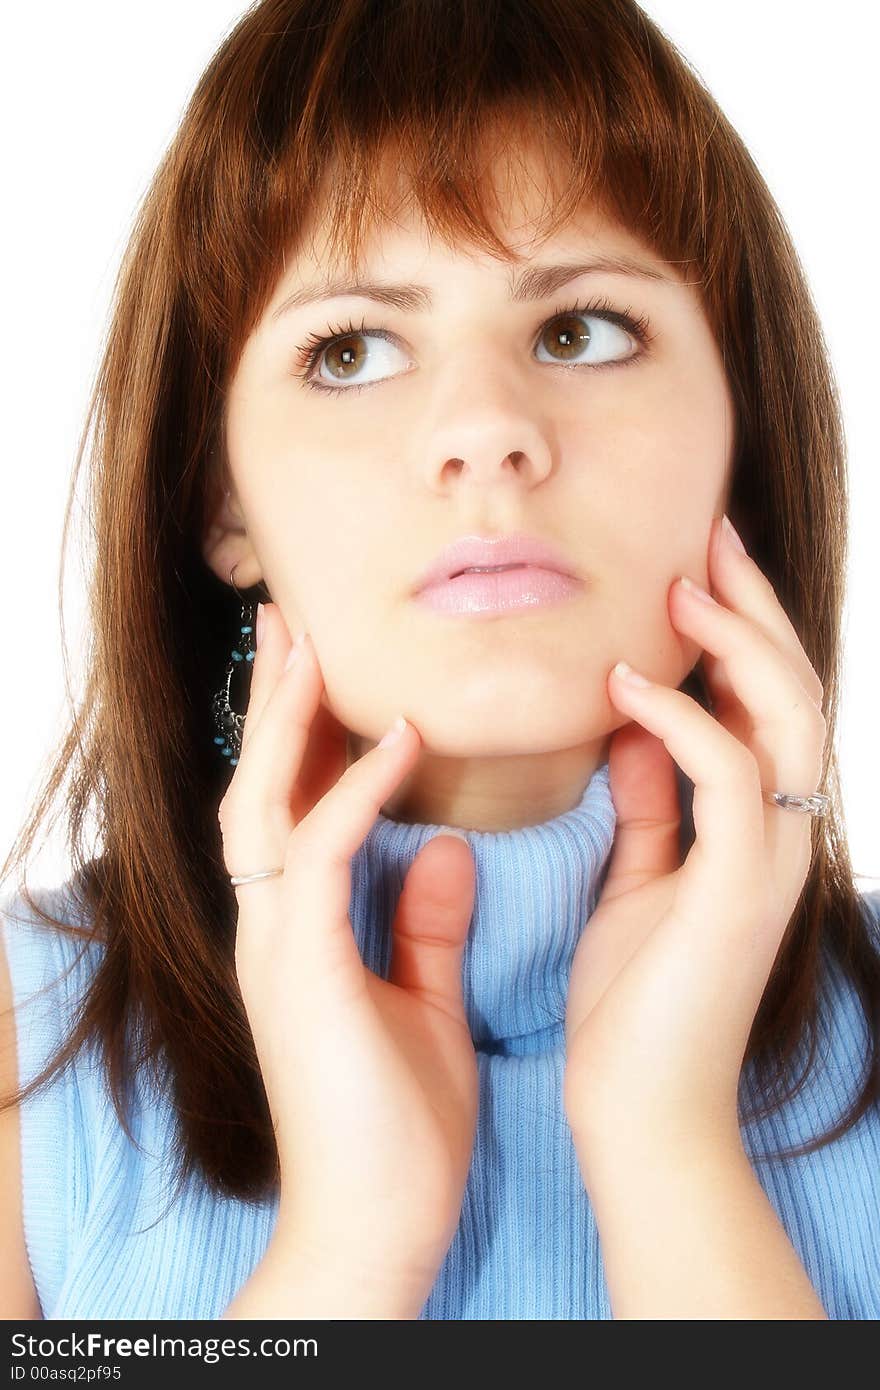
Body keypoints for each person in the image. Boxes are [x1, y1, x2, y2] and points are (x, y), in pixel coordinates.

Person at [1, 0, 878, 1321]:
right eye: (350, 350)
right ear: (220, 503)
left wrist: (669, 1151)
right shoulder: (23, 1046)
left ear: (741, 439)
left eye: (582, 328)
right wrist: (349, 1247)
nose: (483, 431)